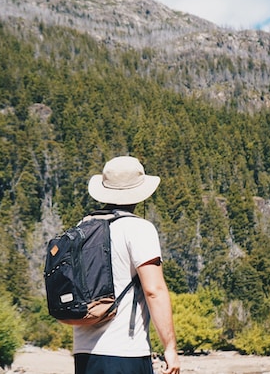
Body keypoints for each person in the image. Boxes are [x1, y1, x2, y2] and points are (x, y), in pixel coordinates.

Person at [73, 155, 180, 374]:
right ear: (139, 193)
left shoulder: (82, 227)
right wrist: (170, 347)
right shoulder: (139, 229)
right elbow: (154, 291)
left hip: (84, 352)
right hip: (125, 353)